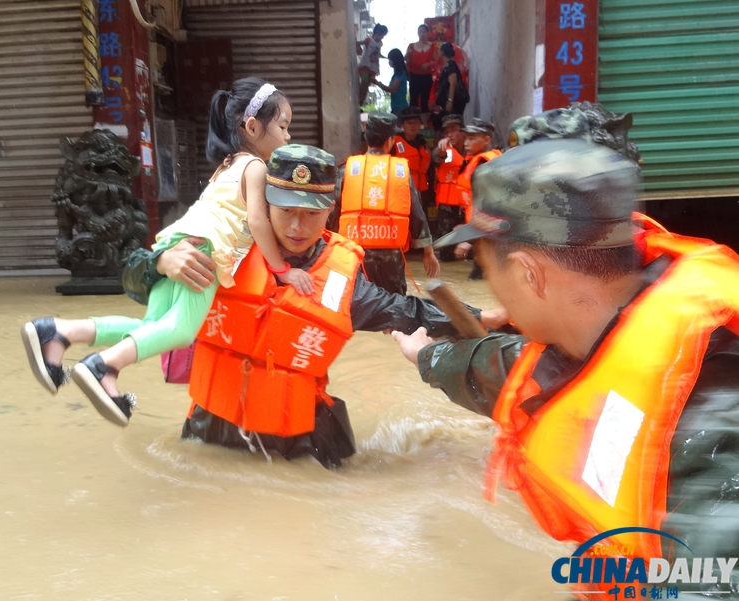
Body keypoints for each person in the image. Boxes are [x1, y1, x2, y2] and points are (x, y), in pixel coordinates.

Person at [392, 138, 739, 597]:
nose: (493, 292)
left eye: (485, 266)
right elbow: (501, 371)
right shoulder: (600, 327)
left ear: (527, 273)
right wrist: (428, 356)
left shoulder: (715, 408)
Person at [148, 144, 507, 467]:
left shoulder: (340, 280)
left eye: (311, 214)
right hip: (211, 425)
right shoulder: (223, 246)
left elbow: (405, 311)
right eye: (286, 210)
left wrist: (478, 317)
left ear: (330, 210)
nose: (297, 226)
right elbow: (136, 280)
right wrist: (160, 262)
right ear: (265, 203)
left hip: (293, 436)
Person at [20, 77, 304, 427]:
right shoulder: (256, 167)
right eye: (283, 126)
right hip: (205, 250)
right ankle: (104, 366)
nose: (288, 136)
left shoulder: (226, 166)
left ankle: (59, 331)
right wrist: (282, 269)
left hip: (176, 242)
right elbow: (259, 222)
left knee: (153, 325)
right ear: (252, 126)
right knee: (182, 332)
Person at [329, 112, 441, 296]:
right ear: (390, 140)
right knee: (394, 308)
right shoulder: (400, 171)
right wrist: (428, 252)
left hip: (353, 254)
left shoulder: (348, 169)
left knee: (353, 304)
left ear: (366, 136)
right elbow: (416, 213)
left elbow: (332, 212)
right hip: (390, 257)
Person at [452, 118, 502, 279]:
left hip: (489, 235)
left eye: (472, 138)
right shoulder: (478, 162)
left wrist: (469, 239)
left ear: (487, 140)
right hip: (485, 234)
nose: (466, 143)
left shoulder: (484, 167)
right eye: (466, 138)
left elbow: (490, 207)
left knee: (479, 279)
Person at [391, 106, 433, 232]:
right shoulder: (394, 143)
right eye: (409, 123)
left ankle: (420, 247)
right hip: (402, 189)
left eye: (416, 123)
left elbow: (430, 169)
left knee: (421, 221)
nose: (413, 126)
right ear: (402, 125)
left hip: (422, 190)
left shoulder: (423, 143)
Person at [432, 113, 467, 255]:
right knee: (446, 250)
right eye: (446, 132)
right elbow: (436, 157)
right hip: (447, 208)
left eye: (453, 130)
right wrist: (440, 151)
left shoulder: (472, 150)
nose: (450, 135)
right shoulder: (443, 151)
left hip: (467, 206)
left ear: (463, 132)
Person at [429, 42, 467, 130]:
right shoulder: (447, 65)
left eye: (439, 50)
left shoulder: (451, 65)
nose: (437, 52)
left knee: (452, 123)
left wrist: (450, 101)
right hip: (447, 101)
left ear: (443, 52)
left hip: (453, 102)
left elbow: (453, 83)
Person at [405, 24, 439, 113]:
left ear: (428, 33)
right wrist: (408, 54)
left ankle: (424, 123)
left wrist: (427, 64)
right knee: (413, 100)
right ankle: (413, 121)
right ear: (417, 33)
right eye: (420, 32)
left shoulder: (432, 46)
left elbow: (436, 60)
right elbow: (406, 60)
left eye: (424, 32)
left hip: (426, 76)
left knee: (425, 101)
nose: (422, 34)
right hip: (414, 76)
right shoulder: (411, 46)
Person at [357, 23, 388, 106]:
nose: (382, 37)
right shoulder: (369, 40)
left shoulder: (380, 43)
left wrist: (387, 57)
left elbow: (378, 54)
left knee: (367, 85)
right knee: (364, 82)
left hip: (373, 67)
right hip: (365, 65)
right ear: (377, 32)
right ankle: (357, 98)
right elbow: (358, 43)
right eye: (382, 35)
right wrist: (358, 49)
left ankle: (360, 103)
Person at [373, 48, 409, 115]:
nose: (389, 62)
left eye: (390, 59)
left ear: (395, 60)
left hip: (400, 108)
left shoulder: (400, 73)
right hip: (395, 107)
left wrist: (378, 83)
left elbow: (392, 89)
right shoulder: (396, 74)